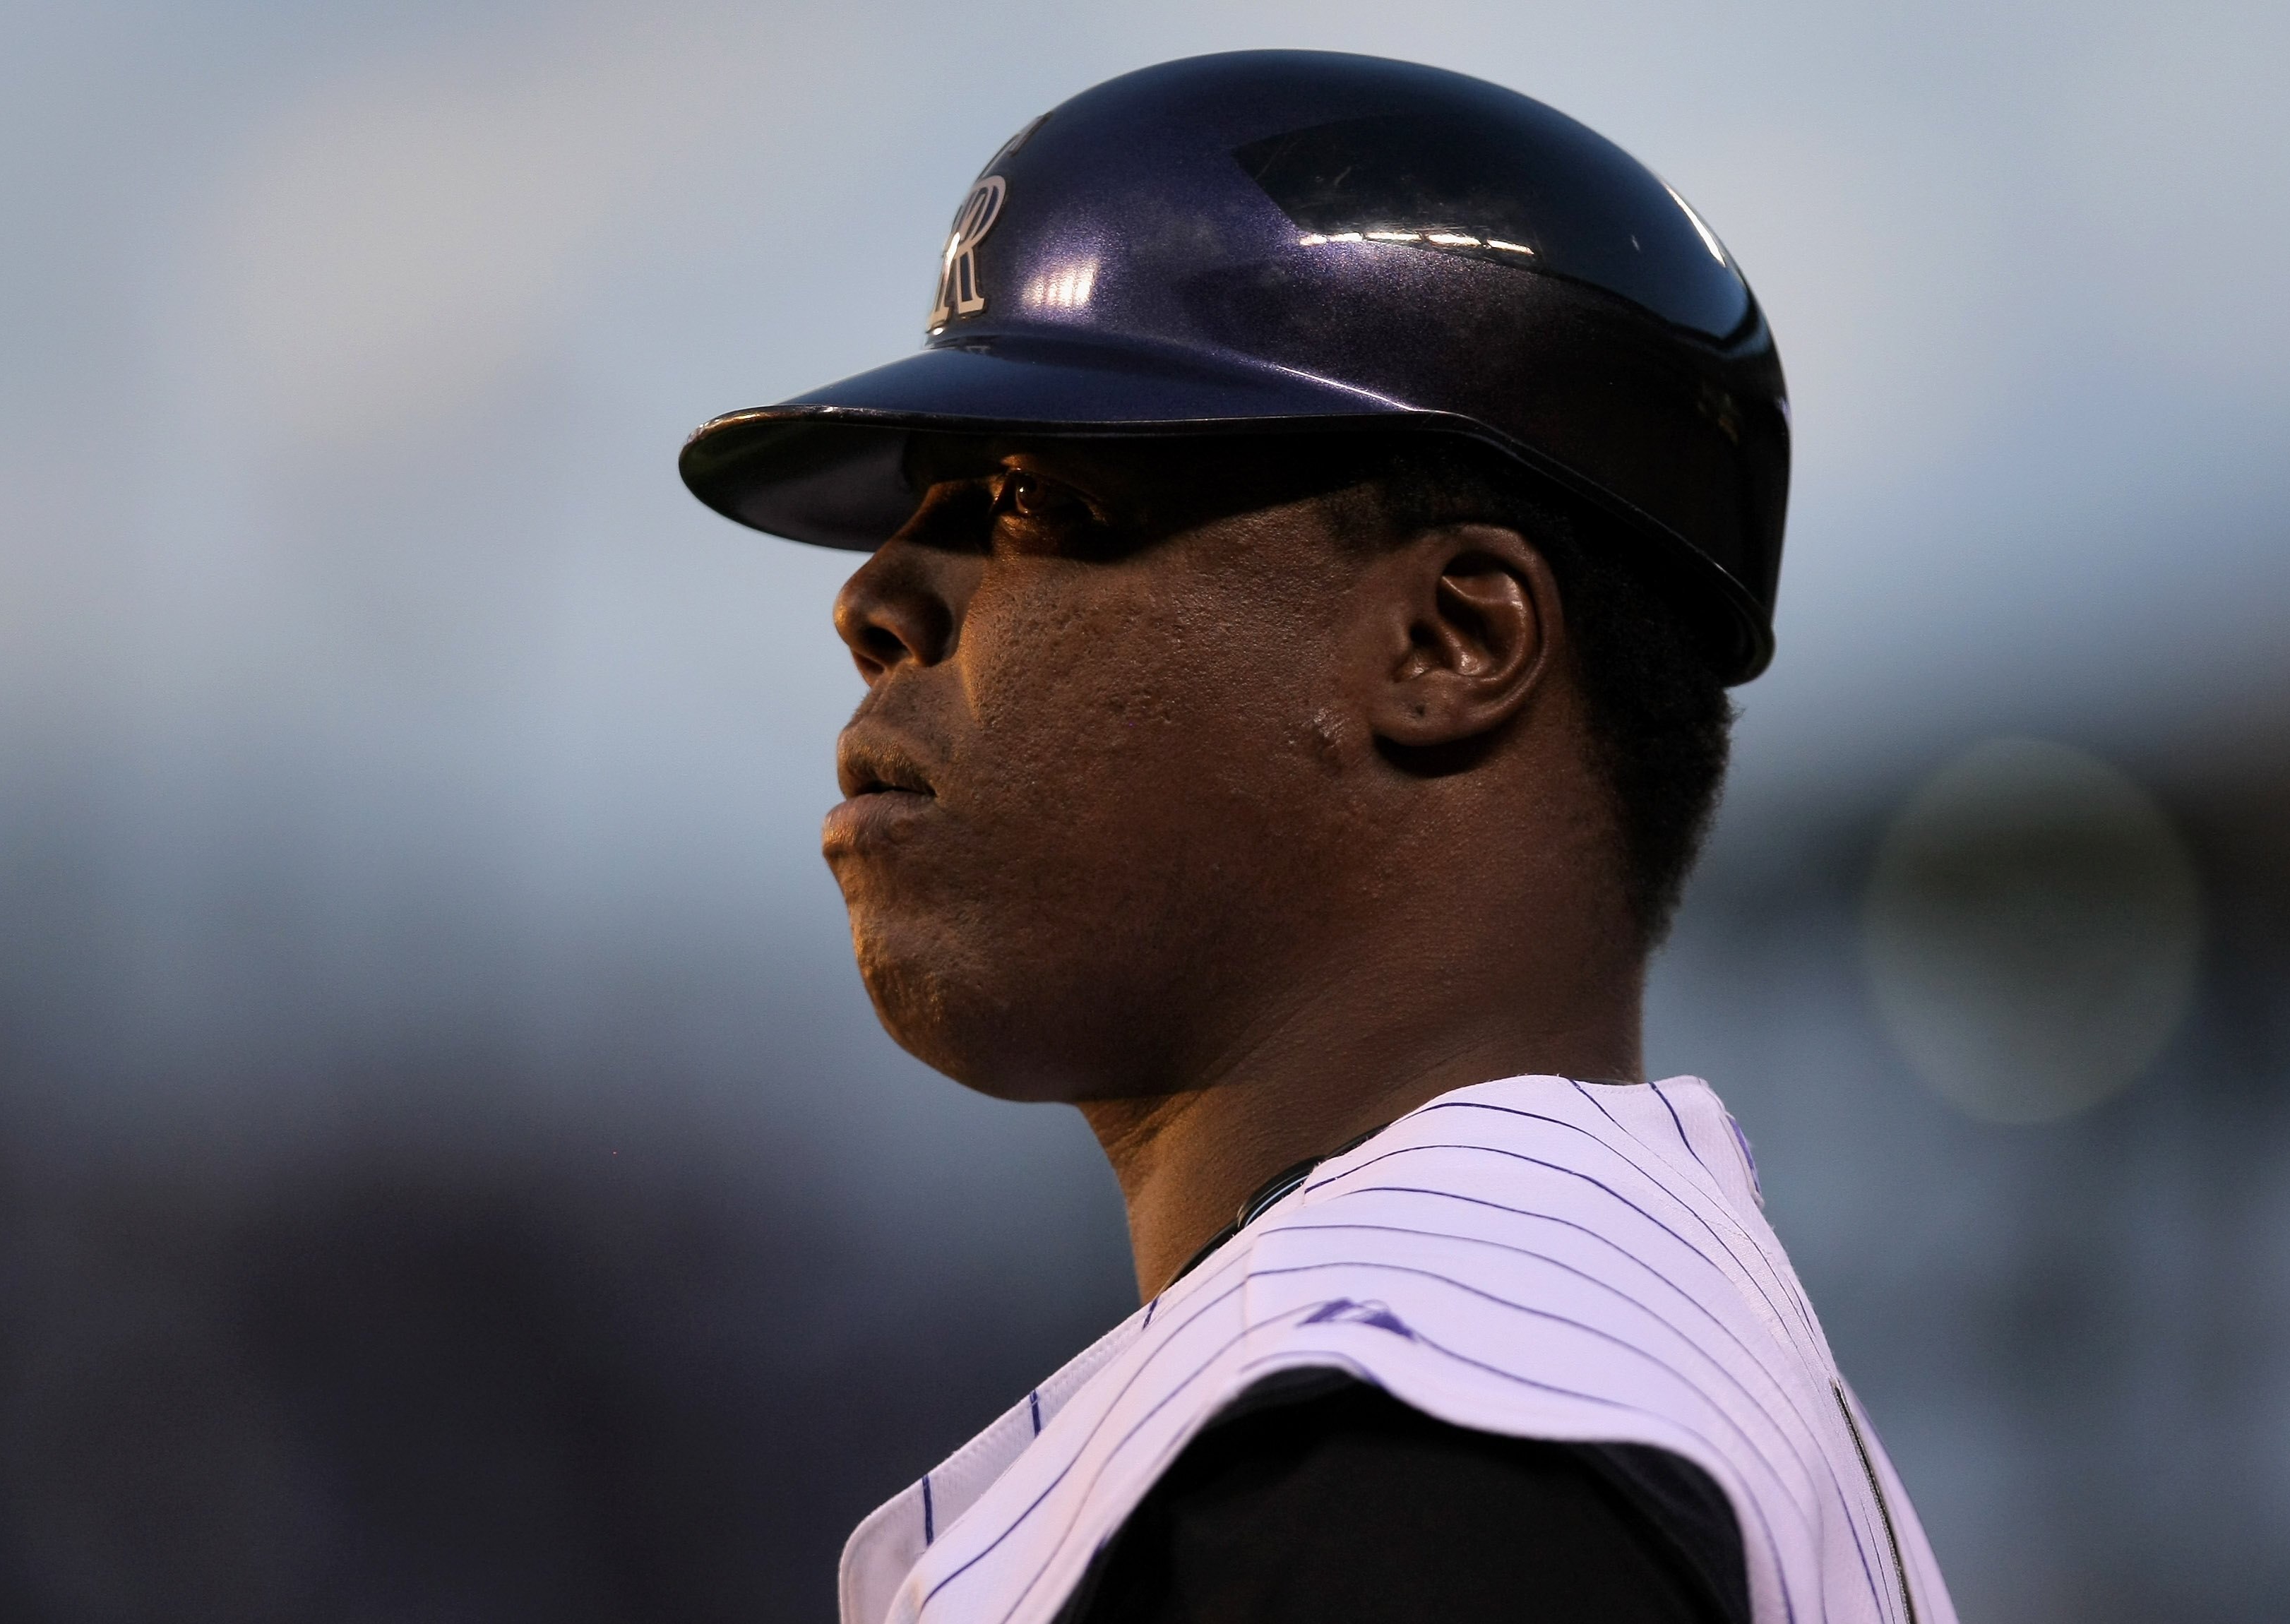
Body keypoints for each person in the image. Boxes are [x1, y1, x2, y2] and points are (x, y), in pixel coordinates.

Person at [680, 49, 1955, 1624]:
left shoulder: (1438, 1431)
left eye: (1031, 496)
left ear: (1446, 643)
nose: (873, 601)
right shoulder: (1548, 1353)